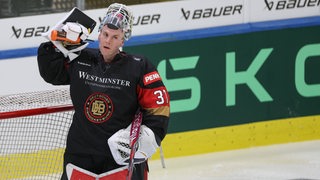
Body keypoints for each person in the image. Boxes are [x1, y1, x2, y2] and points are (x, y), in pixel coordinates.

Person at [37, 3, 170, 180]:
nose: (108, 40)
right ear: (99, 34)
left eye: (115, 37)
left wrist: (145, 139)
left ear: (123, 40)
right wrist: (56, 41)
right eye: (105, 34)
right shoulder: (81, 58)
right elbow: (51, 74)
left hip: (118, 161)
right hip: (80, 157)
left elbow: (159, 108)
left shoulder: (139, 67)